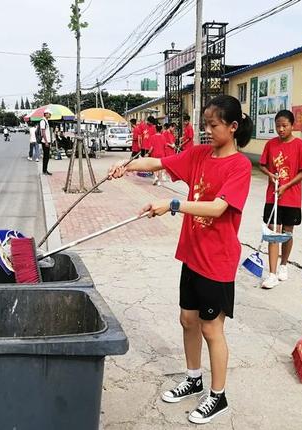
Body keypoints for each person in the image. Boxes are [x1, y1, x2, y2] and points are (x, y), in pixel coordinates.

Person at [108, 95, 253, 425]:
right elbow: (159, 163)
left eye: (214, 126)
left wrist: (173, 205)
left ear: (232, 127)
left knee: (211, 328)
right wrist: (126, 166)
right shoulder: (201, 154)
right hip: (193, 254)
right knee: (188, 320)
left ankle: (218, 396)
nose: (207, 131)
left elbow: (218, 208)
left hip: (217, 260)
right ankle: (193, 378)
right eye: (205, 125)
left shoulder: (239, 166)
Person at [258, 110, 302, 289]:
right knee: (273, 232)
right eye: (278, 126)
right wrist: (271, 175)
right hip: (273, 196)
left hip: (291, 196)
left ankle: (283, 265)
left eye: (284, 126)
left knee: (287, 232)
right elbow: (263, 165)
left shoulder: (300, 146)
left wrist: (286, 186)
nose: (280, 129)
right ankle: (271, 274)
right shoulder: (271, 144)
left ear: (292, 126)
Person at [39, 109, 53, 175]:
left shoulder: (46, 121)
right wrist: (46, 141)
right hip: (45, 142)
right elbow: (43, 132)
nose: (50, 115)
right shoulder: (43, 121)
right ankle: (44, 171)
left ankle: (45, 170)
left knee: (47, 157)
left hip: (47, 141)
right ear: (46, 114)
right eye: (49, 114)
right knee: (46, 156)